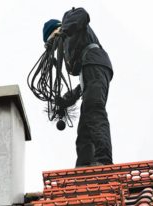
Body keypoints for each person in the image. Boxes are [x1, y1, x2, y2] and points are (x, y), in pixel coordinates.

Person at [43, 7, 113, 167]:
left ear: (55, 30)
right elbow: (82, 84)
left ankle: (103, 160)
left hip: (94, 62)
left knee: (94, 110)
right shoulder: (69, 50)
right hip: (90, 70)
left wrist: (63, 31)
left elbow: (82, 13)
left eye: (51, 41)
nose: (54, 48)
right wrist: (66, 100)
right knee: (84, 127)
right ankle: (84, 166)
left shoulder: (68, 21)